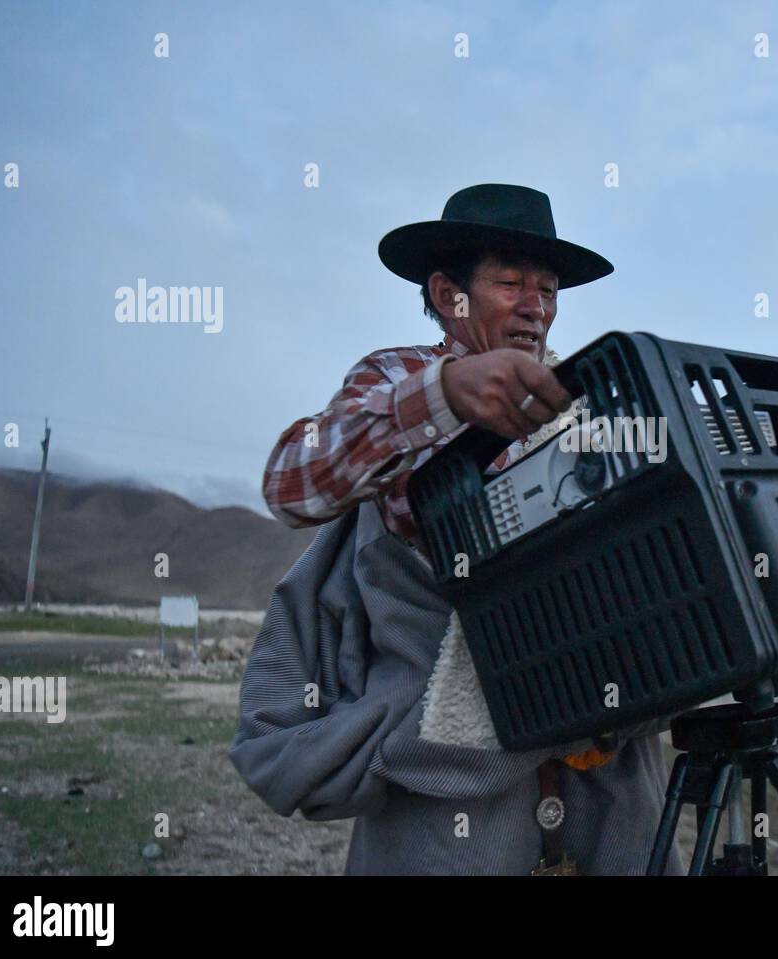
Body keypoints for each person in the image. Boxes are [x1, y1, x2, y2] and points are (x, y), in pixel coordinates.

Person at [229, 184, 683, 875]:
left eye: (550, 290)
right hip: (450, 794)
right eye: (511, 283)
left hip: (610, 789)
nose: (537, 306)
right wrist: (444, 394)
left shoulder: (588, 398)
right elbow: (290, 483)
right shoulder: (396, 377)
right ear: (449, 296)